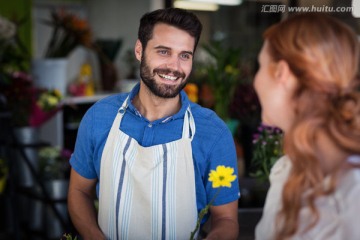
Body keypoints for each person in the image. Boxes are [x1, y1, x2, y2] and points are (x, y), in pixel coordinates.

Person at [68, 7, 240, 240]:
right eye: (163, 51)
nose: (174, 67)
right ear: (139, 50)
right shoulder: (100, 117)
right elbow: (79, 191)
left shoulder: (213, 133)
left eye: (184, 55)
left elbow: (226, 219)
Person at [253, 12, 360, 240]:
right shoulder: (288, 170)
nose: (255, 80)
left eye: (260, 66)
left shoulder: (352, 194)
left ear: (282, 74)